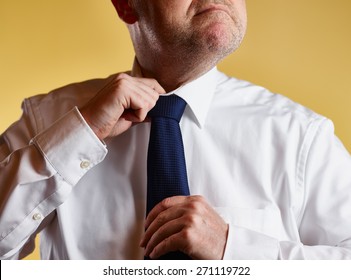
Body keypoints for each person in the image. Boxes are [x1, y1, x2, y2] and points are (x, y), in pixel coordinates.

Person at [0, 0, 351, 260]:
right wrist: (81, 133)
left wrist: (234, 248)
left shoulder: (301, 137)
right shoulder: (48, 121)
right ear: (126, 6)